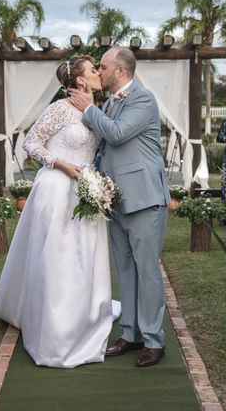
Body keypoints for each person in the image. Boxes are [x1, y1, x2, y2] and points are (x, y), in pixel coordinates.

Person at [0, 55, 113, 368]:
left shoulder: (95, 110)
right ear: (81, 80)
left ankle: (84, 312)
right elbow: (31, 143)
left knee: (83, 254)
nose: (99, 73)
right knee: (57, 255)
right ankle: (54, 324)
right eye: (93, 70)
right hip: (57, 187)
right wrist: (61, 164)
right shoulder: (59, 109)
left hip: (85, 188)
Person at [68, 47, 170, 367]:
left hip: (143, 198)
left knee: (147, 271)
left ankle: (153, 339)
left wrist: (88, 108)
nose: (99, 72)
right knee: (124, 269)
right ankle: (130, 332)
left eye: (103, 67)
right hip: (114, 199)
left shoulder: (143, 98)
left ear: (121, 71)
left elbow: (117, 133)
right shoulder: (111, 101)